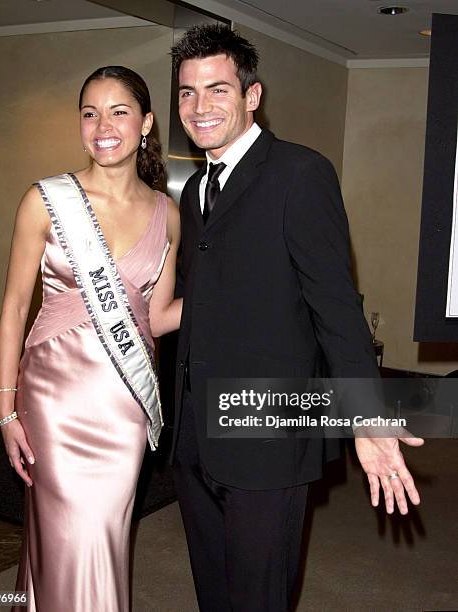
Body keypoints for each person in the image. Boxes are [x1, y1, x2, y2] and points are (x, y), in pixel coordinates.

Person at [169, 24, 424, 612]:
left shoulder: (299, 174)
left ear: (251, 96)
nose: (199, 106)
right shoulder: (194, 191)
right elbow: (202, 299)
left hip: (268, 431)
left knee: (259, 597)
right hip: (195, 435)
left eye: (218, 89)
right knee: (215, 590)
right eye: (187, 92)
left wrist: (368, 420)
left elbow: (337, 310)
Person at [0, 66, 181, 612]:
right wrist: (6, 412)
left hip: (123, 405)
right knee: (65, 534)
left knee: (104, 535)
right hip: (54, 400)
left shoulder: (167, 215)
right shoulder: (45, 200)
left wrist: (230, 298)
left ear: (145, 123)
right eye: (90, 112)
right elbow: (11, 311)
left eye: (119, 111)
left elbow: (157, 314)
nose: (103, 125)